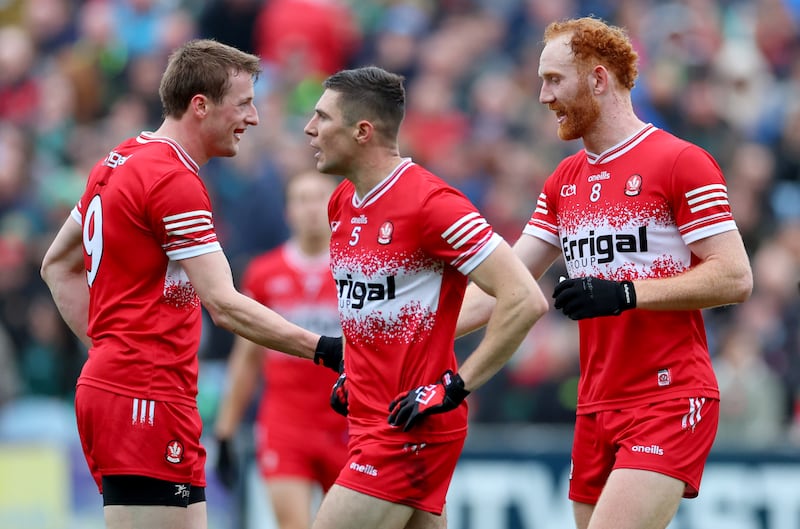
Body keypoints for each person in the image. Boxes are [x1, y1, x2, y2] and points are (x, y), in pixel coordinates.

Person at [456, 17, 753, 529]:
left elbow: (735, 277)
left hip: (668, 395)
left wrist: (625, 293)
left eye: (554, 80)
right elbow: (504, 288)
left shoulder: (680, 161)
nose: (543, 96)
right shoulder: (564, 179)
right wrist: (396, 345)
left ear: (598, 79)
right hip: (596, 402)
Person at [39, 39, 343, 529]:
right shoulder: (171, 178)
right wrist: (328, 349)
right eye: (244, 103)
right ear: (200, 106)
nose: (255, 117)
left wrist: (107, 350)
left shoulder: (121, 158)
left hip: (135, 390)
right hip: (145, 395)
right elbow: (223, 304)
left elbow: (57, 265)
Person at [302, 65, 549, 529]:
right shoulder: (341, 202)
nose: (309, 128)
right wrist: (359, 368)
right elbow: (398, 313)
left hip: (407, 431)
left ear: (362, 131)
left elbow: (523, 298)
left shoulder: (431, 204)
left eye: (322, 117)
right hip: (372, 422)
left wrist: (455, 387)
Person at [213, 169, 348, 529]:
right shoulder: (263, 273)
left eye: (319, 197)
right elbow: (247, 358)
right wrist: (225, 430)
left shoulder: (356, 271)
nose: (310, 208)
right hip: (286, 424)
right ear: (288, 211)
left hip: (348, 423)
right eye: (301, 200)